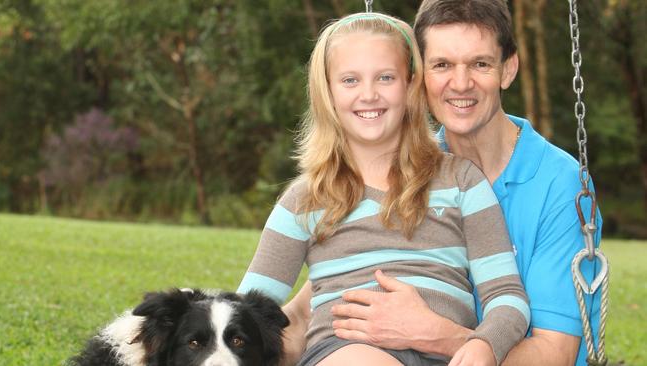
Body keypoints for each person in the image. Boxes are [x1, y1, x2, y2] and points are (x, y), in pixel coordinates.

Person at [281, 1, 604, 366]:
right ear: (419, 76)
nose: (461, 83)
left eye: (480, 64)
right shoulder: (402, 171)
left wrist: (434, 333)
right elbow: (322, 302)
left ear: (508, 69)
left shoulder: (559, 185)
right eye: (442, 65)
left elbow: (554, 354)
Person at [238, 12, 530, 366]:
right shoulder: (306, 199)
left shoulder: (462, 181)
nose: (369, 94)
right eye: (349, 80)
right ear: (327, 92)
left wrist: (485, 343)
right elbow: (248, 310)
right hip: (347, 352)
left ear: (410, 86)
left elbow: (506, 295)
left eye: (386, 77)